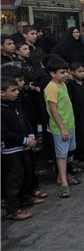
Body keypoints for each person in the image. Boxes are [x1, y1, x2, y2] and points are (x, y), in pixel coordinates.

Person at [1, 77, 42, 220]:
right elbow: (4, 133)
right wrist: (25, 140)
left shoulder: (16, 106)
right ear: (2, 93)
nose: (17, 92)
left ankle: (25, 198)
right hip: (12, 150)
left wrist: (31, 135)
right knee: (14, 180)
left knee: (26, 173)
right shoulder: (2, 110)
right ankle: (13, 209)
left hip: (25, 146)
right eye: (13, 90)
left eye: (17, 89)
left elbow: (26, 122)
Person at [44, 57, 76, 198]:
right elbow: (53, 110)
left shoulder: (62, 84)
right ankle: (64, 183)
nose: (66, 75)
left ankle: (62, 176)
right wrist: (62, 128)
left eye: (66, 72)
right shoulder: (51, 88)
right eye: (62, 72)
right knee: (61, 156)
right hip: (60, 128)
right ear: (52, 73)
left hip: (70, 124)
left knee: (69, 152)